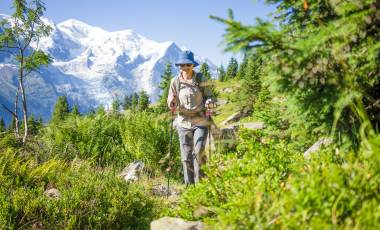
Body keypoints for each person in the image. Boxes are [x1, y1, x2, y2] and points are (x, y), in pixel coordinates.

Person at [167, 50, 214, 185]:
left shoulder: (200, 79)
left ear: (193, 65)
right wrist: (171, 101)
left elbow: (210, 96)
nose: (185, 67)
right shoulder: (175, 82)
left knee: (198, 152)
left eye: (188, 64)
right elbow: (171, 98)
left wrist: (209, 102)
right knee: (186, 156)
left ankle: (201, 185)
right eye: (182, 65)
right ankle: (189, 187)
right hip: (183, 122)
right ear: (179, 66)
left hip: (200, 120)